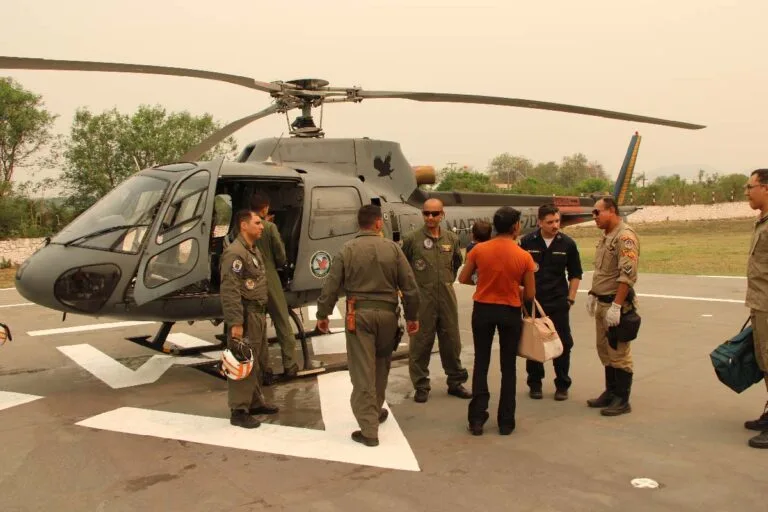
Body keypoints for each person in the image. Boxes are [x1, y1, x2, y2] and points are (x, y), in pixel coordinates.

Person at [315, 205, 420, 447]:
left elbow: (331, 285)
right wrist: (413, 316)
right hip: (388, 316)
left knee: (362, 371)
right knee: (382, 365)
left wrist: (323, 313)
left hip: (359, 316)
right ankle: (374, 410)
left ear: (358, 225)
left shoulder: (347, 249)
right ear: (378, 223)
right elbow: (410, 286)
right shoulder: (393, 249)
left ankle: (368, 429)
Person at [458, 206, 536, 435]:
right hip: (509, 311)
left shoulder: (479, 250)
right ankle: (506, 420)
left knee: (481, 363)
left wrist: (484, 284)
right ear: (516, 227)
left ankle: (477, 418)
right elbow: (530, 294)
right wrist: (514, 287)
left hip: (483, 308)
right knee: (508, 366)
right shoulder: (524, 256)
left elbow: (463, 278)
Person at [402, 198, 472, 403]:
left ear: (443, 215)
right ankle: (421, 385)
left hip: (447, 297)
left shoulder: (451, 238)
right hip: (422, 299)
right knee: (421, 342)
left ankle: (456, 382)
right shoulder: (411, 239)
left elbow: (456, 263)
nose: (430, 217)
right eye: (426, 213)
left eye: (434, 213)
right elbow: (402, 268)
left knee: (451, 340)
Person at [220, 209, 280, 429]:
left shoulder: (252, 251)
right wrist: (236, 322)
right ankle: (238, 410)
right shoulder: (235, 253)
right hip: (245, 315)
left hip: (257, 313)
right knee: (241, 358)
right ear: (244, 225)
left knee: (255, 360)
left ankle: (254, 402)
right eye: (257, 222)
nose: (262, 226)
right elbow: (230, 290)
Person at [519, 204, 582, 401]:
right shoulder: (527, 242)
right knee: (533, 342)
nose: (555, 225)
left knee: (562, 343)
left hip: (558, 301)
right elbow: (520, 273)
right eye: (550, 222)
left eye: (557, 221)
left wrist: (570, 298)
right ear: (539, 222)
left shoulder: (567, 244)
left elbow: (575, 274)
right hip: (533, 303)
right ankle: (535, 383)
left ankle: (562, 384)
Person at [585, 196, 639, 417]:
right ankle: (610, 391)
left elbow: (627, 275)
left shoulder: (625, 237)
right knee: (604, 350)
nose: (594, 217)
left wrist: (617, 306)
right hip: (602, 301)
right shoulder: (606, 236)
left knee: (619, 353)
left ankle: (622, 399)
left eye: (597, 212)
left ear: (611, 211)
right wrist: (592, 293)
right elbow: (603, 272)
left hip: (616, 305)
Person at [250, 192, 298, 383]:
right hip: (269, 277)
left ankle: (263, 368)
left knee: (256, 326)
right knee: (282, 321)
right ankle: (290, 364)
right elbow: (280, 256)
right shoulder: (269, 227)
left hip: (250, 280)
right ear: (265, 208)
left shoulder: (243, 226)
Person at [743, 168, 768, 449]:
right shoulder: (761, 221)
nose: (748, 192)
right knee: (764, 361)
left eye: (751, 187)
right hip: (760, 303)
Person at [466, 220, 492, 285]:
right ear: (489, 236)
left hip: (476, 280)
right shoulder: (492, 247)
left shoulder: (470, 247)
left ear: (473, 235)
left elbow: (467, 265)